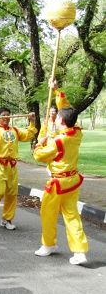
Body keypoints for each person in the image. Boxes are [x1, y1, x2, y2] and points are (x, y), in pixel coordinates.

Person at [33, 80, 89, 265]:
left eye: (57, 118)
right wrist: (56, 90)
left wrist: (40, 143)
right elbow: (67, 108)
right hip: (72, 182)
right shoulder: (77, 133)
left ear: (62, 121)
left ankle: (49, 244)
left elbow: (40, 156)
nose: (55, 118)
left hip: (58, 184)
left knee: (47, 213)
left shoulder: (57, 142)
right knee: (72, 215)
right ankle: (79, 251)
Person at [0, 107, 37, 229]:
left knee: (12, 193)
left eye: (8, 115)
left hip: (12, 165)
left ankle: (7, 219)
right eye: (3, 115)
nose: (6, 117)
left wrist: (32, 121)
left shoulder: (15, 130)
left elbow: (28, 135)